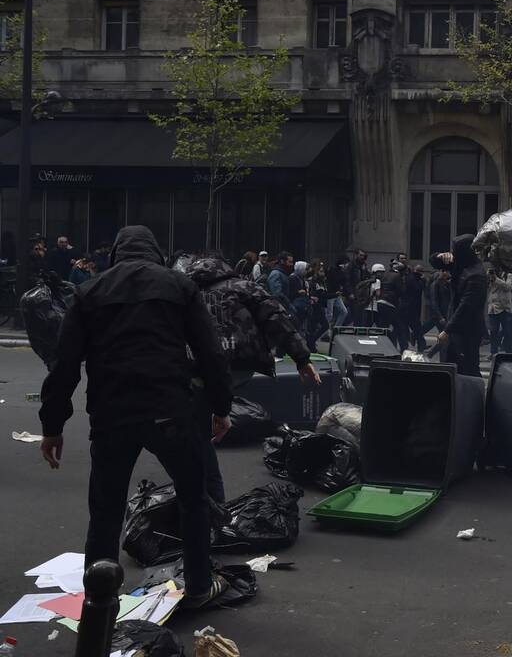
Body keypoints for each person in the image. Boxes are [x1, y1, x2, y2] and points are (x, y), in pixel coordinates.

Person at [38, 226, 233, 608]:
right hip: (170, 409)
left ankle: (99, 599)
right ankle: (197, 586)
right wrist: (221, 408)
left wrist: (52, 427)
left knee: (106, 512)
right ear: (155, 253)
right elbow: (211, 353)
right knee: (193, 498)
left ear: (116, 254)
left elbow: (64, 366)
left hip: (112, 414)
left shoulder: (89, 291)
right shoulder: (179, 287)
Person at [184, 253, 319, 503]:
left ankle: (207, 500)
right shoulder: (243, 286)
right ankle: (211, 500)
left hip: (200, 367)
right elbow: (276, 317)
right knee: (204, 428)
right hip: (241, 361)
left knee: (197, 431)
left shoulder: (187, 292)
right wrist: (302, 358)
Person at [431, 234, 488, 377]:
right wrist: (439, 256)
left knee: (467, 368)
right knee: (450, 366)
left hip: (468, 330)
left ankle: (474, 397)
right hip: (456, 327)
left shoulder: (476, 275)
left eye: (454, 250)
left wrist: (447, 330)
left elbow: (466, 307)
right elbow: (434, 262)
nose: (452, 253)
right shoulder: (461, 263)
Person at [487, 267, 512, 356]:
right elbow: (487, 288)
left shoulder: (509, 275)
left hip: (505, 308)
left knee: (507, 331)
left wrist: (496, 279)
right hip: (493, 308)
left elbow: (508, 287)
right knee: (493, 331)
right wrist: (490, 278)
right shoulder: (490, 275)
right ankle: (493, 352)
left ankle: (509, 351)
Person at [402, 263, 426, 350]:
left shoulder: (410, 277)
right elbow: (418, 289)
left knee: (411, 327)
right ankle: (421, 344)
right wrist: (423, 281)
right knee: (416, 327)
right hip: (411, 308)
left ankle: (419, 344)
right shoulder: (414, 279)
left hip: (408, 307)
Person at [325, 255, 350, 331]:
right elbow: (331, 281)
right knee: (329, 315)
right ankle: (326, 332)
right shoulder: (333, 270)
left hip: (337, 295)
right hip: (330, 294)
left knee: (344, 312)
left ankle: (336, 328)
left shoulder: (343, 273)